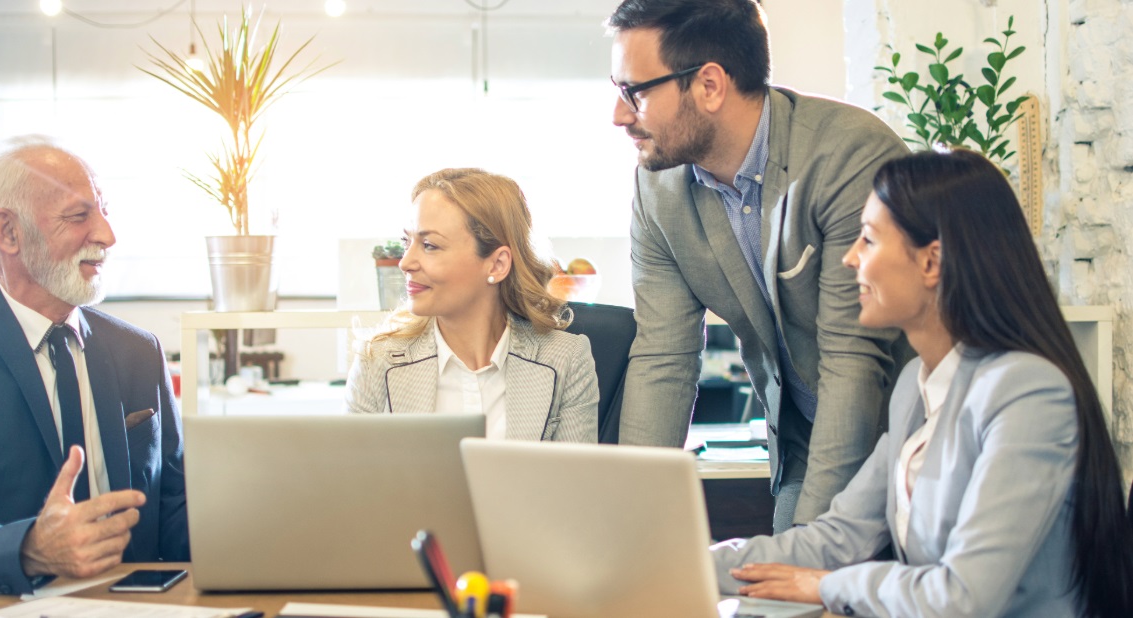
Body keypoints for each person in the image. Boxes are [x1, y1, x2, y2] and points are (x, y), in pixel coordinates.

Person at [711, 149, 1133, 617]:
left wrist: (834, 586)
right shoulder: (916, 385)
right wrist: (692, 563)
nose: (851, 259)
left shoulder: (1030, 391)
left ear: (932, 262)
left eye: (869, 240)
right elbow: (836, 539)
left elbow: (963, 598)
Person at [607, 0, 913, 530]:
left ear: (709, 85)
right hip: (804, 439)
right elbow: (663, 357)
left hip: (908, 441)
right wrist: (629, 529)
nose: (618, 114)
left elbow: (852, 363)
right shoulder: (657, 188)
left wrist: (810, 550)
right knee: (771, 603)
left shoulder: (846, 155)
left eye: (634, 91)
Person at [0, 138, 189, 594]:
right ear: (8, 233)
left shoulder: (138, 350)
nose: (107, 235)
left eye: (103, 212)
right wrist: (28, 548)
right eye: (79, 216)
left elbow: (176, 504)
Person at [345, 168, 599, 442]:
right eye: (407, 242)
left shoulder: (566, 360)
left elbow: (573, 484)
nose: (405, 263)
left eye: (429, 245)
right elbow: (352, 481)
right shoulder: (377, 360)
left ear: (497, 264)